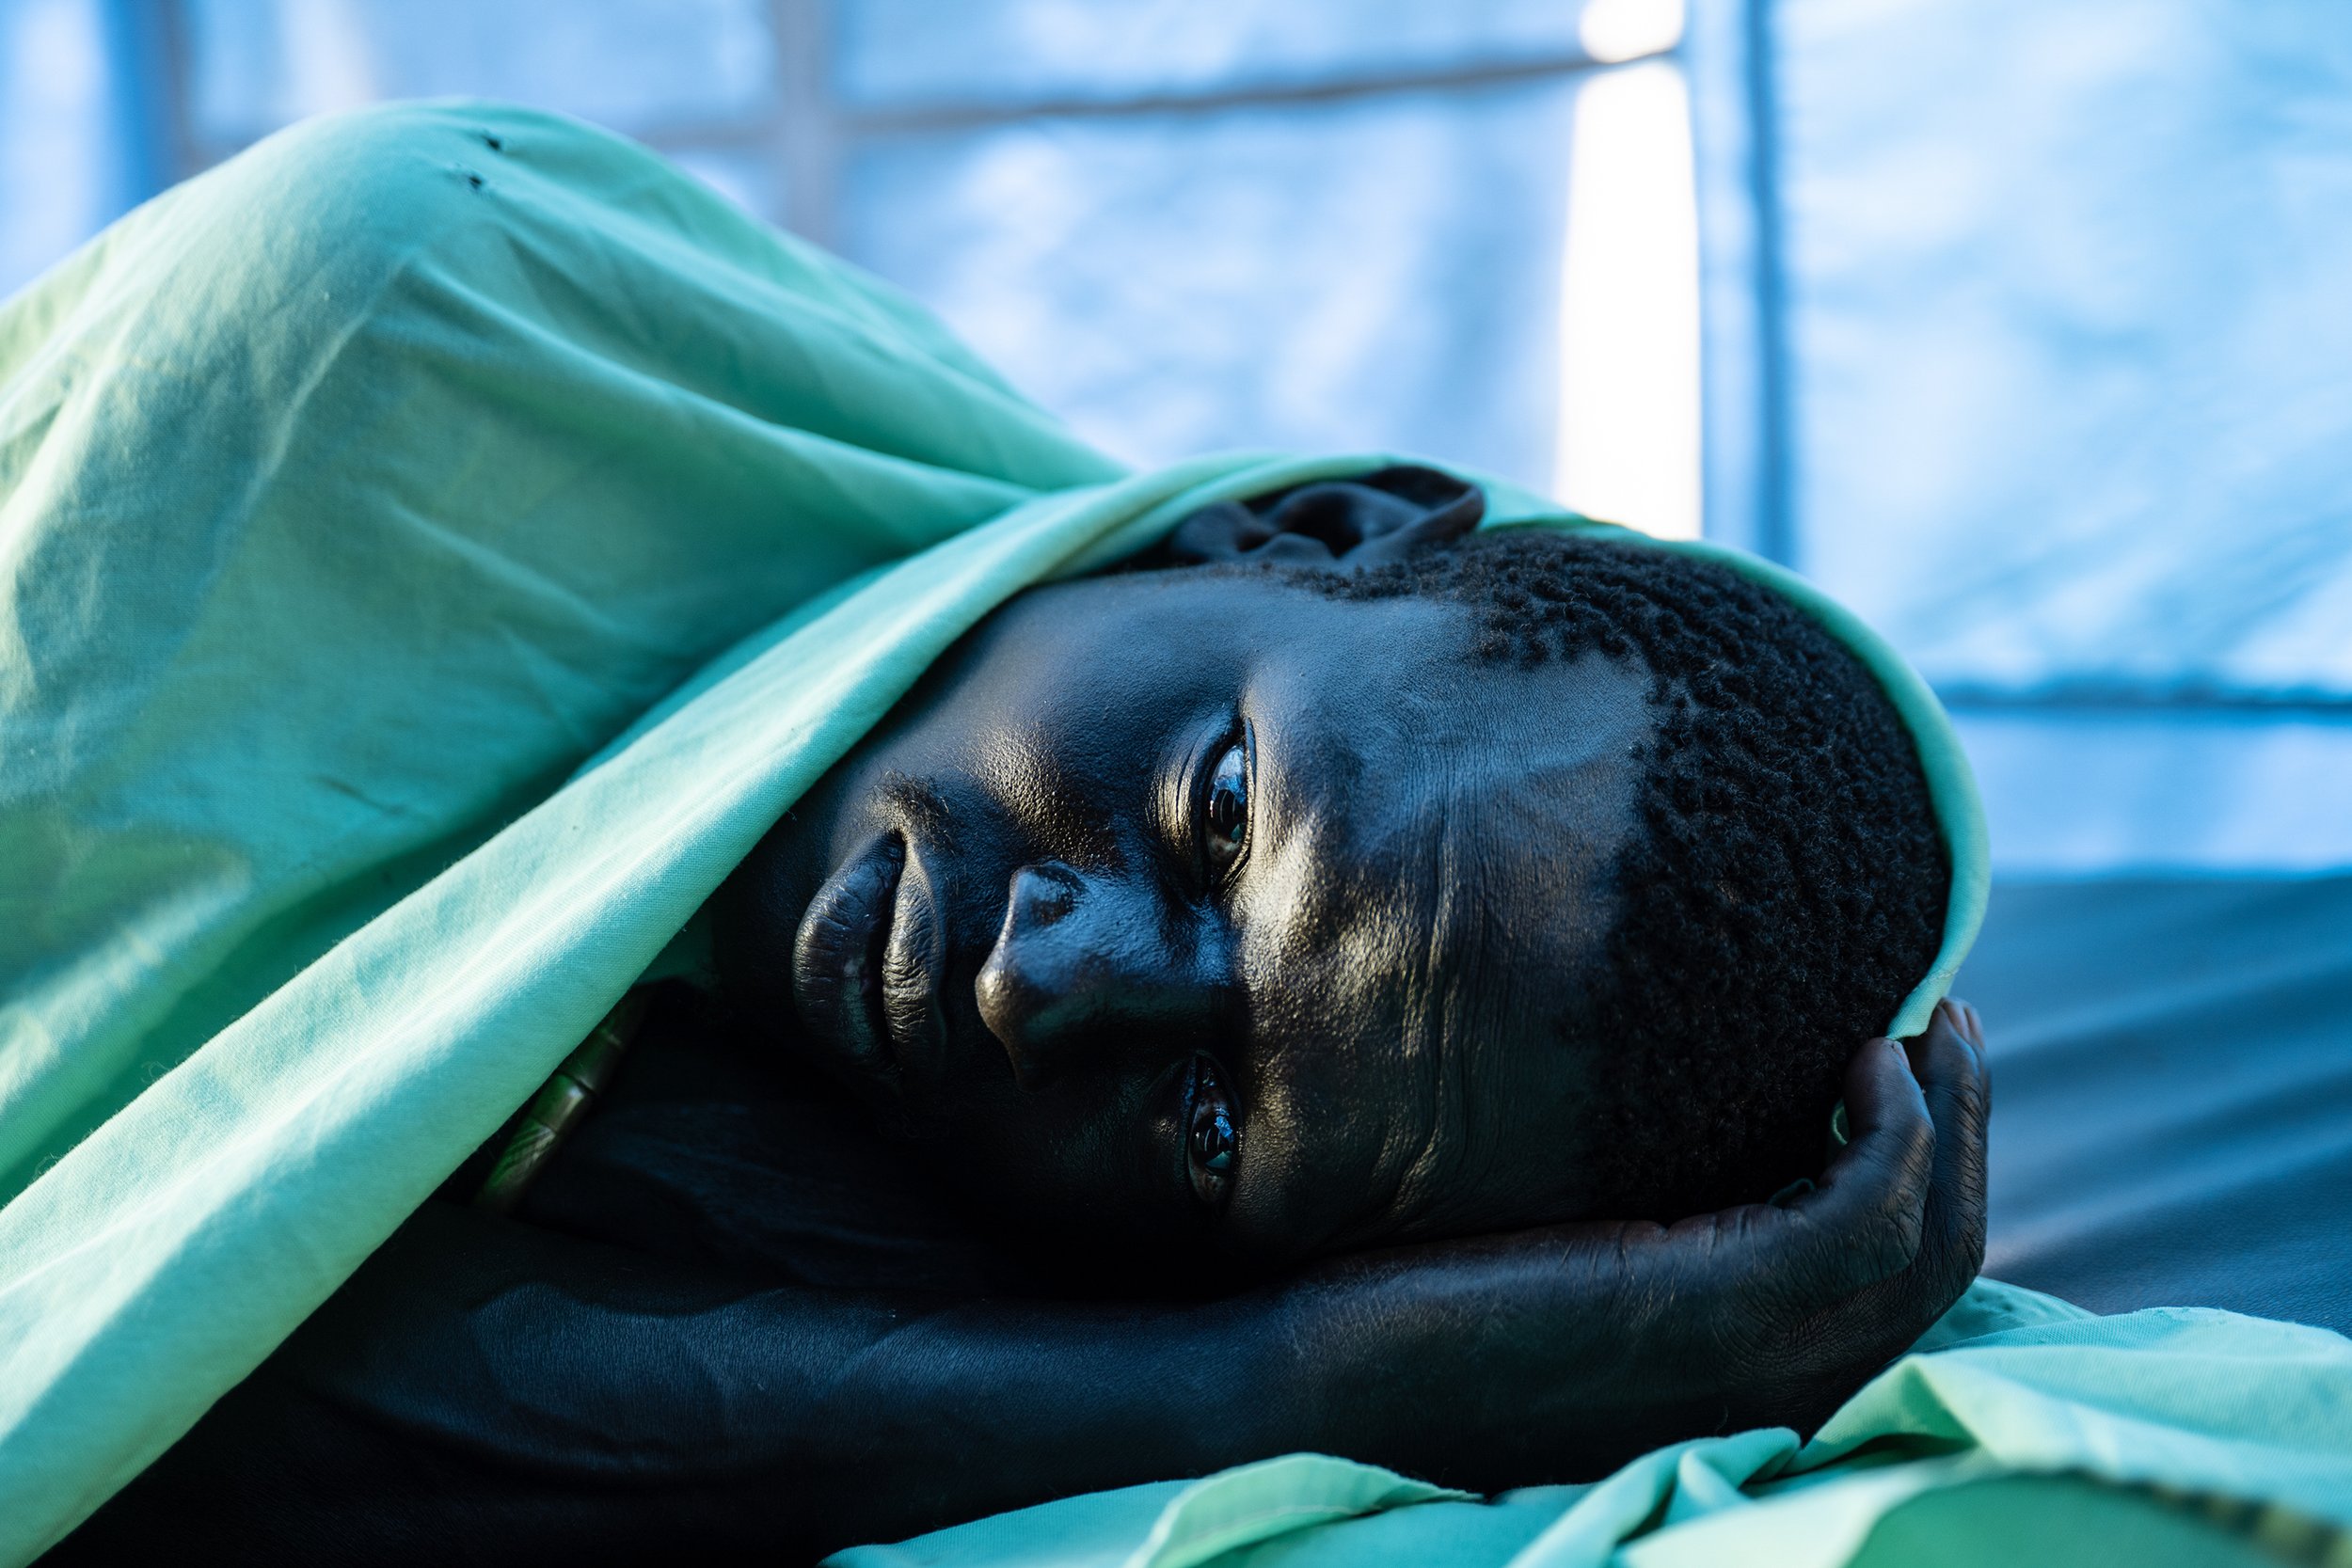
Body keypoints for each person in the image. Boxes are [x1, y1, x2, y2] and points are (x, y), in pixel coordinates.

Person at [5, 104, 1989, 1564]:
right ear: (1299, 536)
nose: (1056, 981)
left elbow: (162, 1426)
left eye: (1216, 1124)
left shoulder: (945, 1253)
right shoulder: (414, 334)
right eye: (1219, 815)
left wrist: (1291, 1384)